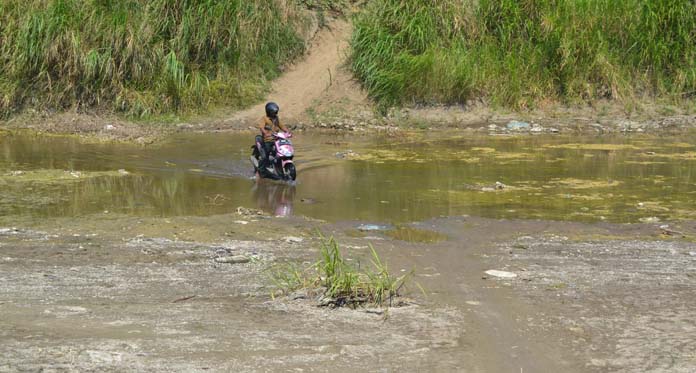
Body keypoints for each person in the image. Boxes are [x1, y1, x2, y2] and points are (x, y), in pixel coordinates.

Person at [256, 102, 290, 178]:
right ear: (269, 111)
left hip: (277, 139)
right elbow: (261, 127)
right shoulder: (264, 118)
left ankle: (279, 168)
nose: (275, 113)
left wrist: (287, 131)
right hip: (268, 140)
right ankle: (259, 173)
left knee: (281, 153)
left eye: (276, 112)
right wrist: (265, 133)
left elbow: (281, 125)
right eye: (274, 112)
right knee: (265, 157)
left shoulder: (276, 118)